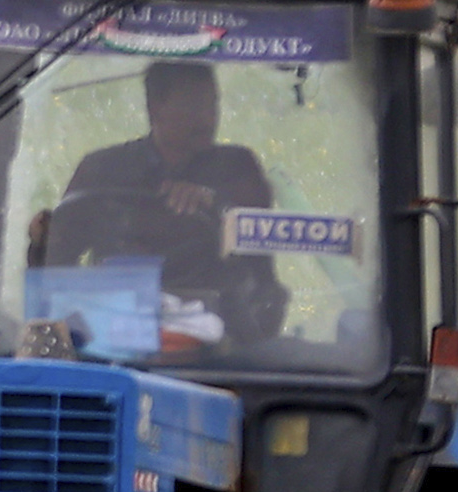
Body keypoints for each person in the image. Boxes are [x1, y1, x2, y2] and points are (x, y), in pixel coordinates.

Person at [33, 58, 285, 339]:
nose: (208, 119)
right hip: (117, 333)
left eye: (212, 105)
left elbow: (261, 257)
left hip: (222, 339)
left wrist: (215, 203)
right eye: (194, 106)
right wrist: (41, 240)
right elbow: (54, 269)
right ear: (155, 108)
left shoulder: (237, 168)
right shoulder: (101, 169)